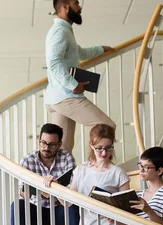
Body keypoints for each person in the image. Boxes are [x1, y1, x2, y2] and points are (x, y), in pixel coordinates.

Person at [45, 0, 116, 153]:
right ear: (65, 7)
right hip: (66, 96)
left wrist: (101, 49)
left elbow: (80, 53)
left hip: (56, 97)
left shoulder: (65, 30)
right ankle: (96, 166)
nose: (80, 7)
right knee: (107, 127)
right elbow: (54, 63)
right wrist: (73, 85)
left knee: (63, 149)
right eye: (76, 3)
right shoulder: (60, 31)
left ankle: (63, 176)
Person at [10, 123, 79, 225]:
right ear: (38, 140)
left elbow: (72, 191)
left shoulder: (67, 158)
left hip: (60, 211)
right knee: (17, 205)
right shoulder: (28, 160)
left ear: (59, 144)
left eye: (52, 144)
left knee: (75, 206)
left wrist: (55, 188)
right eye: (43, 143)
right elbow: (22, 192)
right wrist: (41, 189)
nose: (46, 148)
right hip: (38, 213)